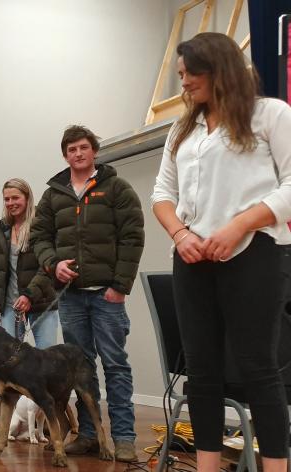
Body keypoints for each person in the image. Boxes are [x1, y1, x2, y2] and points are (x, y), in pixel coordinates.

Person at [152, 32, 291, 472]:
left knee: (259, 369)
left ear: (219, 69)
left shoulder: (269, 114)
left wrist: (238, 226)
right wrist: (179, 234)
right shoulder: (182, 128)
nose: (184, 84)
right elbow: (162, 193)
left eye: (191, 74)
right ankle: (207, 467)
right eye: (180, 76)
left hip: (254, 254)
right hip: (193, 260)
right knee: (202, 374)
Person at [30, 124, 144, 462]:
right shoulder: (54, 195)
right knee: (80, 369)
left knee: (115, 365)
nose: (77, 154)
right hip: (71, 296)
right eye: (71, 150)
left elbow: (132, 237)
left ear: (93, 150)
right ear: (65, 155)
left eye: (83, 148)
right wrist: (53, 265)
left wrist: (120, 287)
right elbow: (40, 238)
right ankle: (90, 436)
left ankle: (123, 437)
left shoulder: (117, 188)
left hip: (107, 296)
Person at [0, 178, 58, 348]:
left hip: (41, 302)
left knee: (46, 357)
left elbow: (47, 266)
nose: (11, 203)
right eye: (7, 199)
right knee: (10, 360)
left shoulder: (43, 223)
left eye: (15, 198)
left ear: (27, 197)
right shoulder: (0, 227)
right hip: (10, 305)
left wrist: (29, 295)